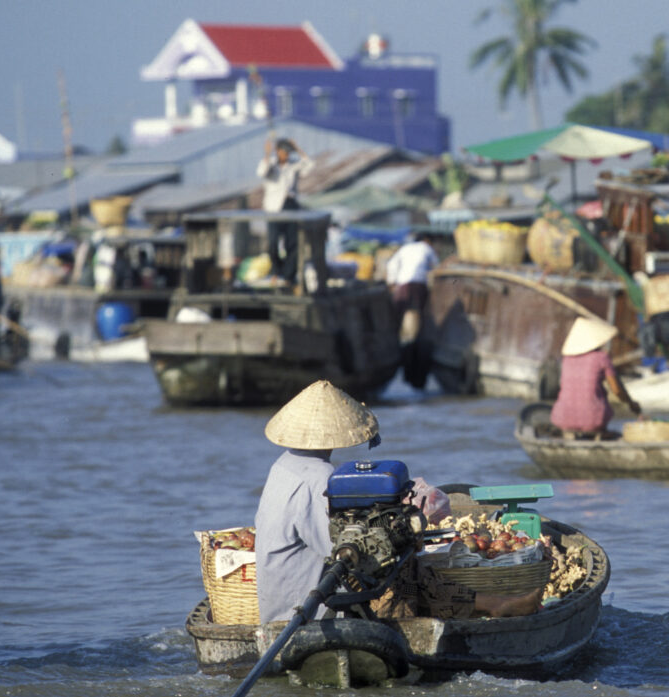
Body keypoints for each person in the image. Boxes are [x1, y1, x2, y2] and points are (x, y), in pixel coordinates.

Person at [255, 379, 540, 623]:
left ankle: (487, 603)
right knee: (399, 570)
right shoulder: (318, 479)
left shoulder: (283, 466)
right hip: (306, 610)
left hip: (278, 604)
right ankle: (423, 628)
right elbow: (344, 551)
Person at [550, 317, 641, 435]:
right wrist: (631, 403)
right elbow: (617, 391)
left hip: (561, 418)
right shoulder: (601, 358)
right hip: (593, 420)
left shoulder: (566, 360)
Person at [256, 137, 314, 286]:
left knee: (292, 243)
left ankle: (288, 276)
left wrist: (298, 148)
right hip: (274, 208)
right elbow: (262, 171)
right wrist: (267, 154)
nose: (286, 156)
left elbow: (310, 165)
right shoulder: (271, 166)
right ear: (278, 152)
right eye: (284, 152)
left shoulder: (293, 165)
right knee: (273, 243)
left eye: (289, 153)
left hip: (290, 205)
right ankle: (277, 271)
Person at [385, 232, 439, 339]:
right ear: (426, 240)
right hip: (418, 284)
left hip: (402, 284)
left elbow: (391, 264)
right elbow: (437, 266)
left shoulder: (405, 248)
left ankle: (398, 338)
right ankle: (412, 339)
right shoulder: (426, 247)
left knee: (399, 312)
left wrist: (392, 281)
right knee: (416, 312)